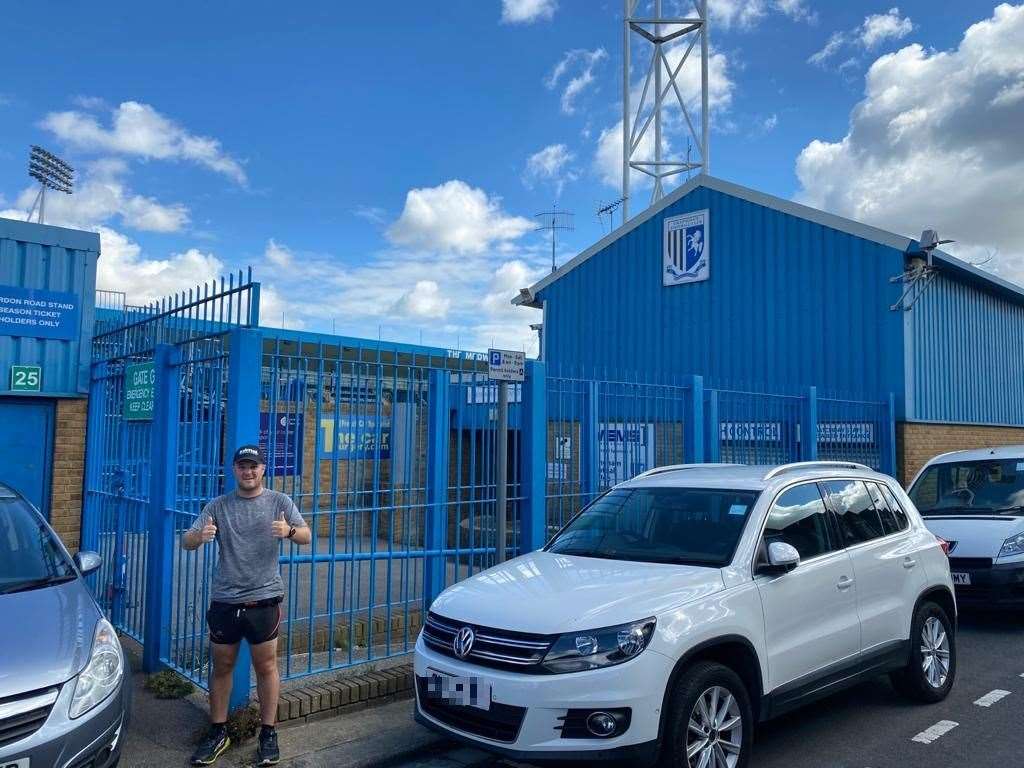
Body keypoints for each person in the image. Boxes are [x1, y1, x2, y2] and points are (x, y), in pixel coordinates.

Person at [181, 444, 310, 766]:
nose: (248, 471)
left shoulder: (280, 502)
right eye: (242, 466)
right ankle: (218, 731)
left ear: (263, 469)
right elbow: (186, 540)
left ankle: (268, 733)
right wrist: (200, 537)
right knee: (222, 666)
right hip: (225, 600)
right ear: (234, 470)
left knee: (266, 666)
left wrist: (289, 530)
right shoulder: (219, 505)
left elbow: (307, 535)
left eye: (253, 466)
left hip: (264, 599)